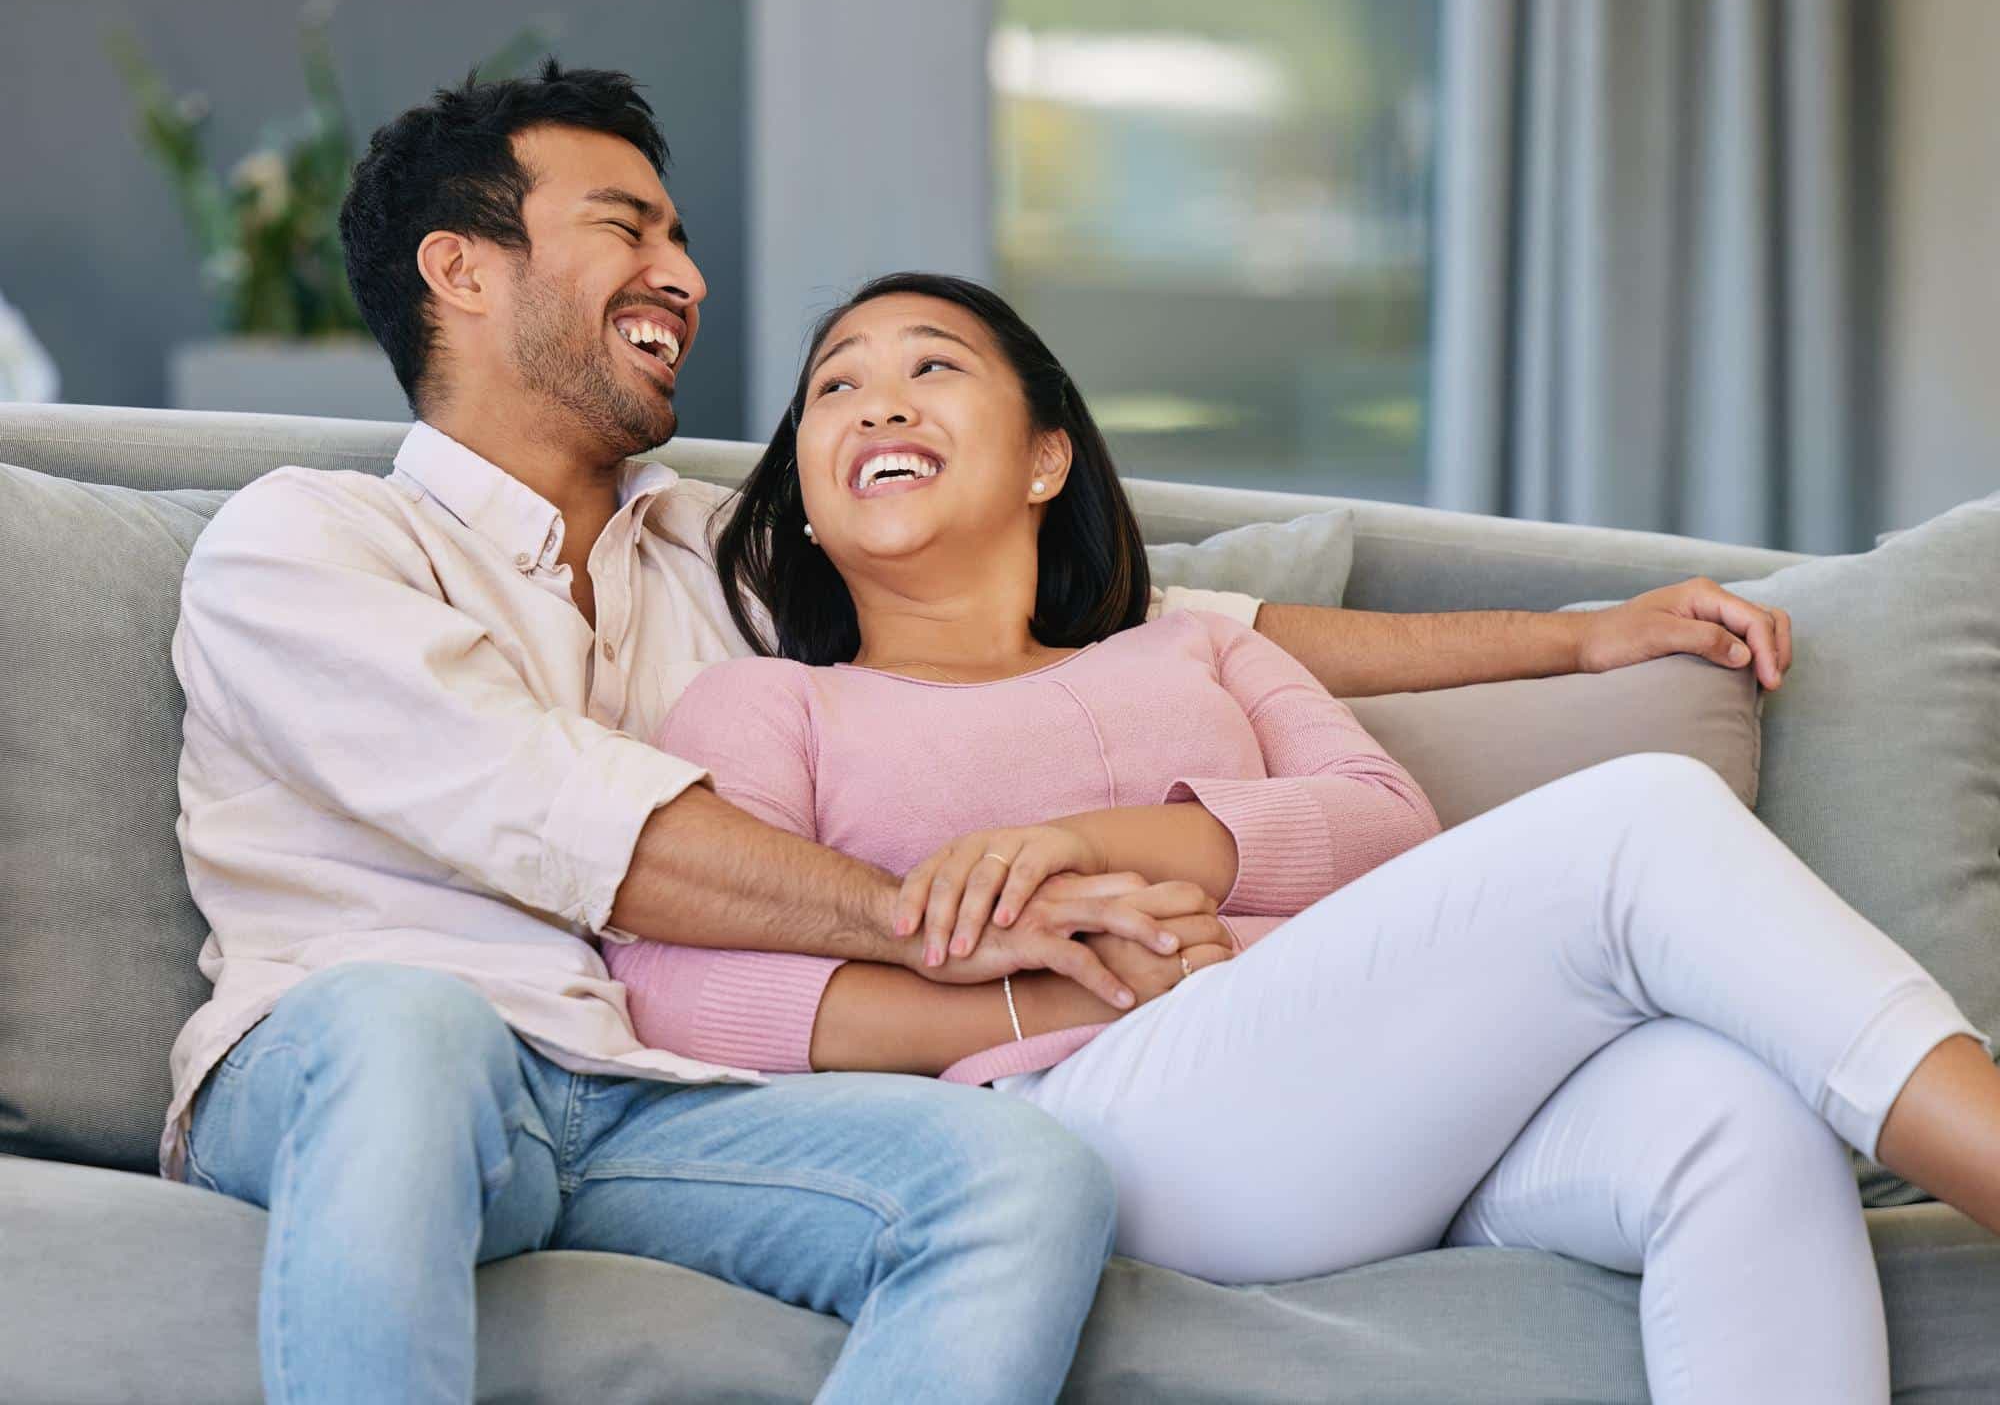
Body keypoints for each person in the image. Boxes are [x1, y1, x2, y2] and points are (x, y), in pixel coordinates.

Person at [165, 61, 1807, 1403]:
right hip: (365, 1057)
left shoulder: (718, 557)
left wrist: (1574, 636)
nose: (688, 276)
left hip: (642, 1096)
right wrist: (936, 925)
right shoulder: (305, 543)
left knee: (1022, 1177)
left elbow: (1160, 623)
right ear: (462, 270)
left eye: (682, 236)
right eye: (627, 227)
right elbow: (558, 811)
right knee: (413, 1025)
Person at [606, 270, 2000, 1405]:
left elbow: (1384, 828)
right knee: (1643, 820)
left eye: (931, 366)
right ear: (801, 495)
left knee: (1735, 1111)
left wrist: (1094, 842)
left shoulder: (1193, 650)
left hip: (1354, 1104)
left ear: (1045, 459)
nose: (876, 400)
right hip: (1087, 1126)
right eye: (834, 387)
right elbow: (677, 987)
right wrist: (1030, 993)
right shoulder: (766, 703)